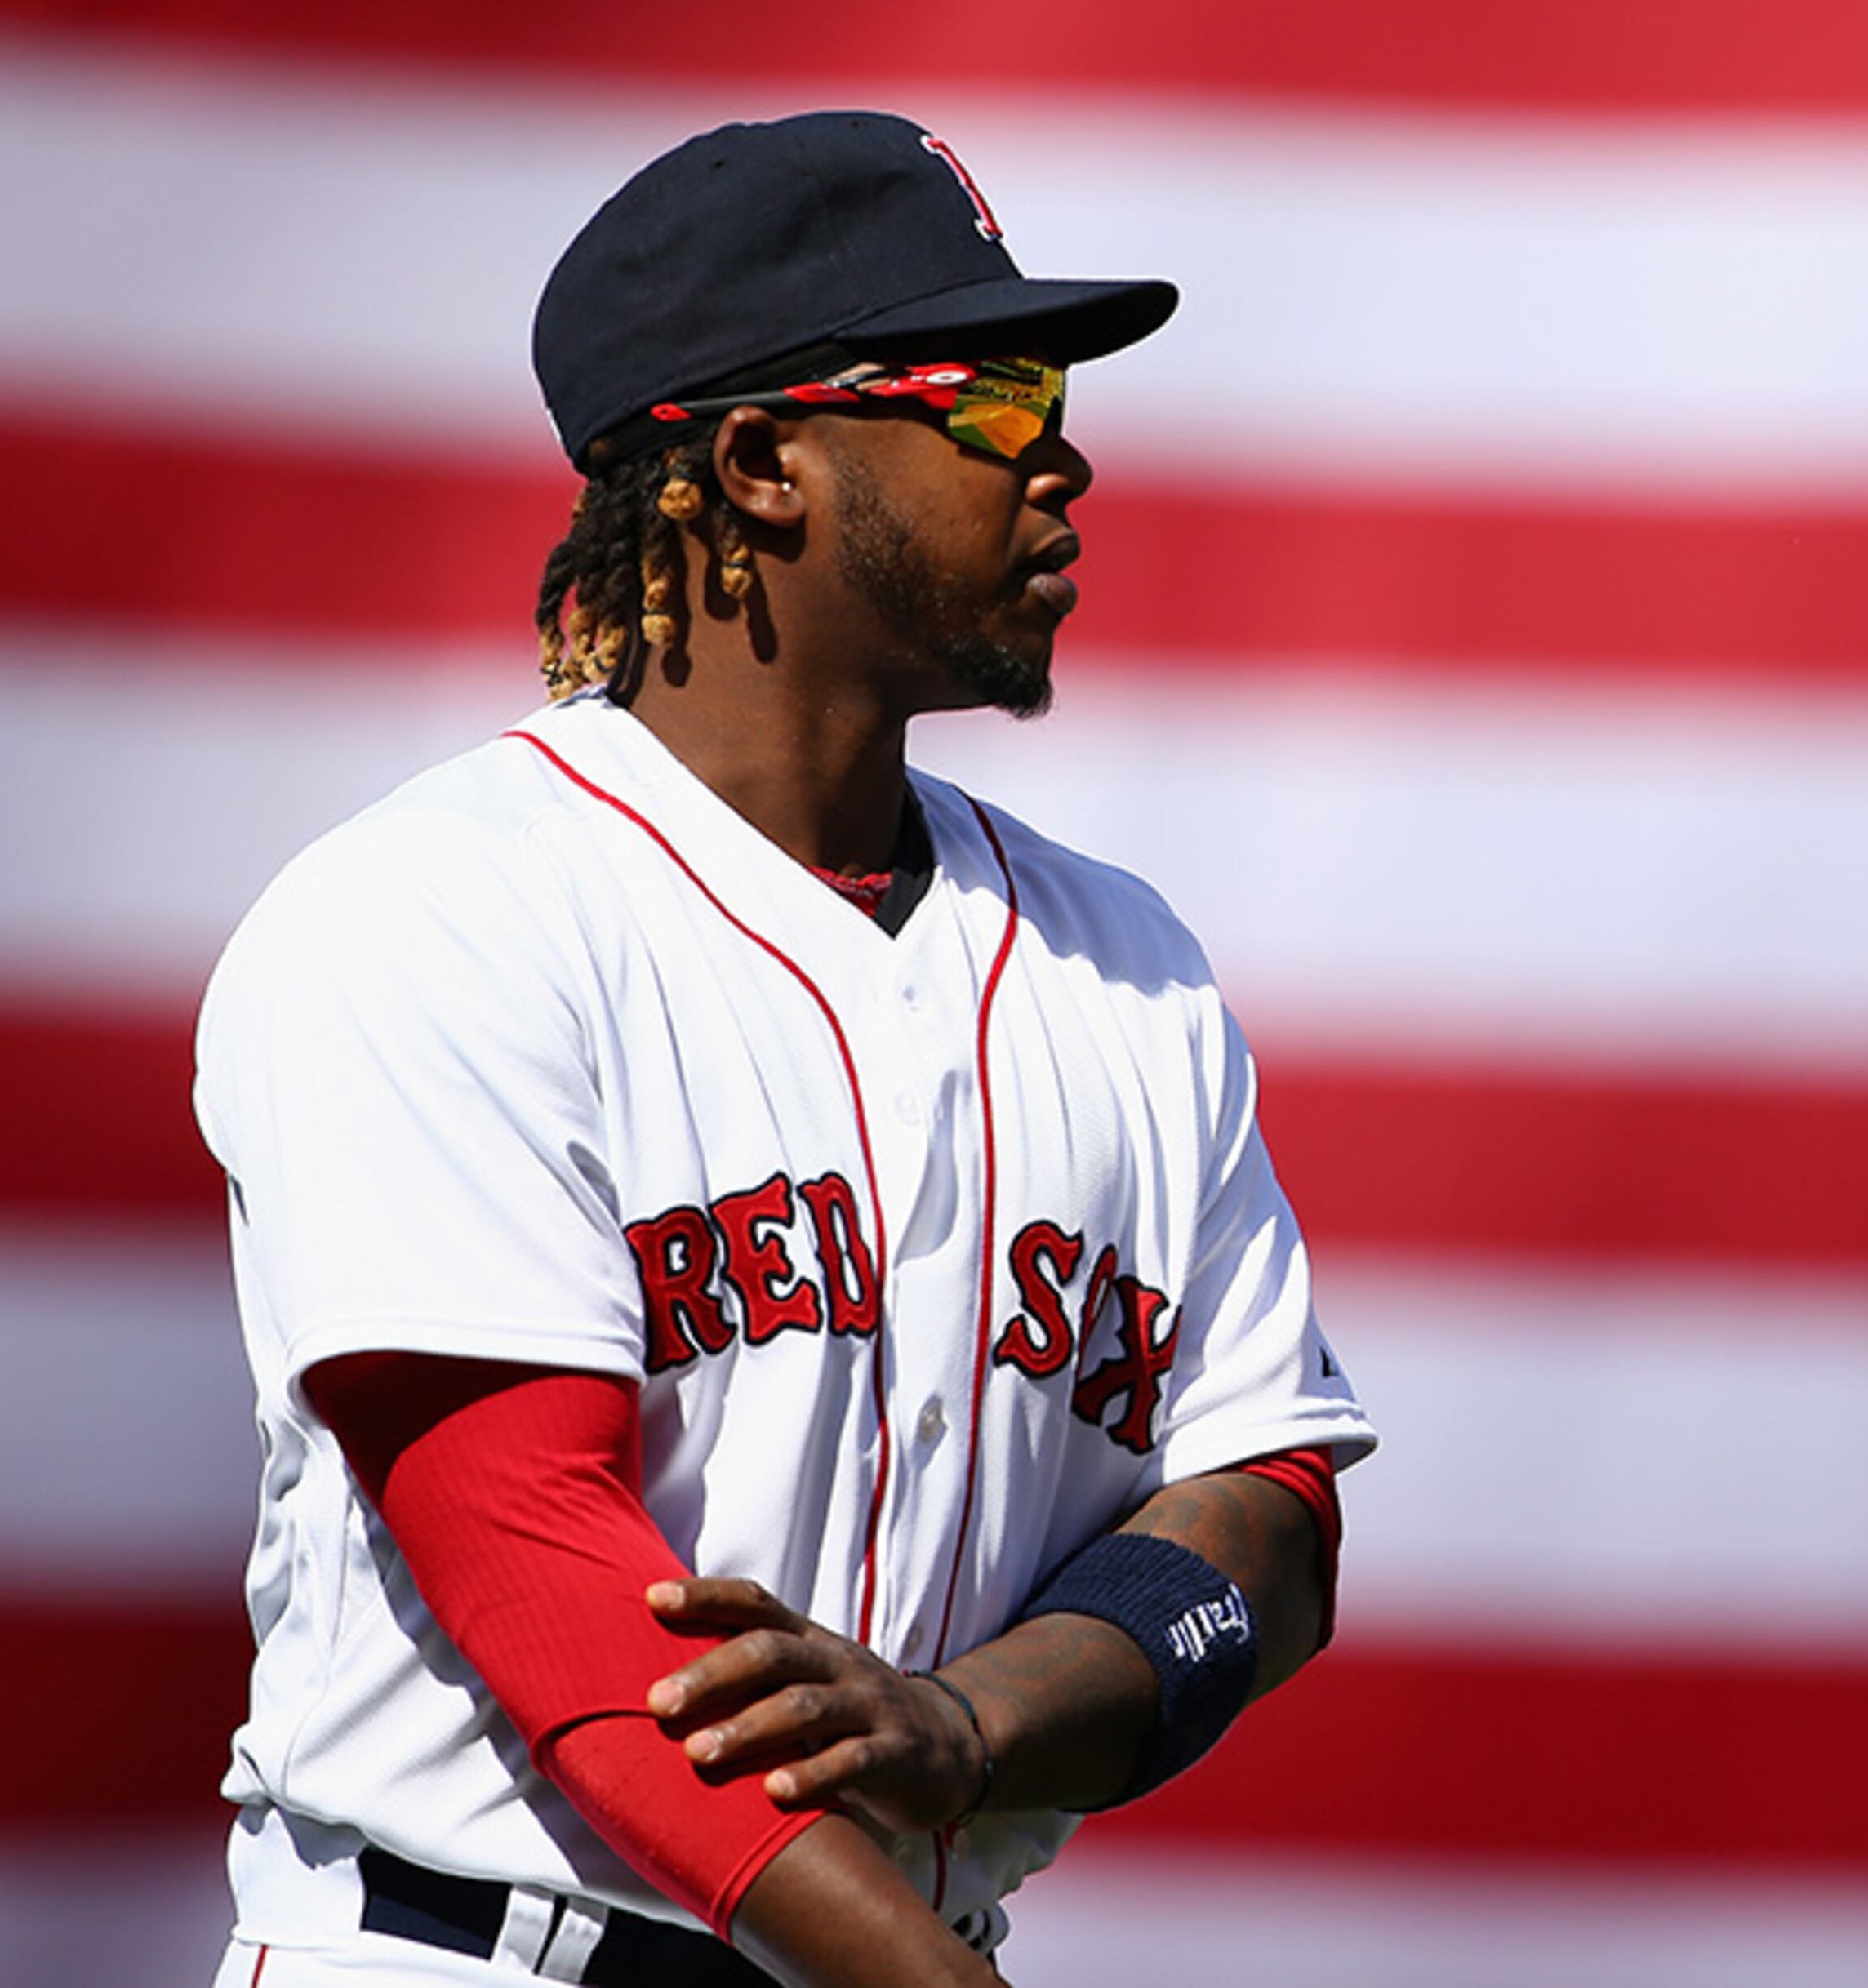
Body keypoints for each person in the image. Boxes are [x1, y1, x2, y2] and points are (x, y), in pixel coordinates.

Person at [194, 110, 1376, 1988]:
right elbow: (543, 1579)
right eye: (991, 397)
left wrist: (973, 1727)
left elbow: (1271, 1523)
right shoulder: (436, 915)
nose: (1063, 454)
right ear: (760, 462)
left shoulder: (1125, 968)